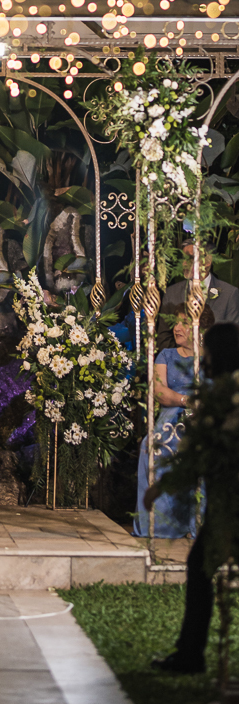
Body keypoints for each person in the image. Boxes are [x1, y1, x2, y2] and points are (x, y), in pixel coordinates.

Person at [149, 323, 239, 675]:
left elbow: (200, 454)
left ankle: (190, 655)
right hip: (225, 504)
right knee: (201, 568)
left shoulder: (221, 397)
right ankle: (190, 654)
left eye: (210, 351)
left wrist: (162, 487)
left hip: (228, 506)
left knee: (201, 571)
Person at [134, 300, 215, 538]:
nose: (177, 328)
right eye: (175, 323)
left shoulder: (212, 357)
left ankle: (200, 523)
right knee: (151, 446)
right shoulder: (166, 355)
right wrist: (187, 401)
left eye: (184, 323)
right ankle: (161, 525)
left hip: (206, 421)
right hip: (172, 421)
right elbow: (159, 392)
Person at [158, 242, 239, 351]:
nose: (184, 263)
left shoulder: (229, 294)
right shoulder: (171, 294)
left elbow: (232, 339)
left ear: (208, 262)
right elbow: (164, 337)